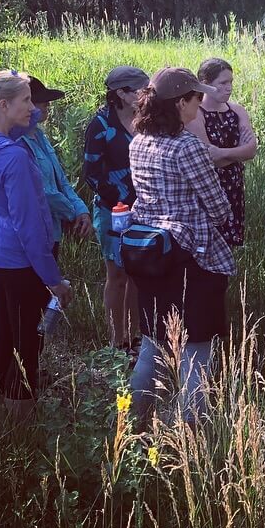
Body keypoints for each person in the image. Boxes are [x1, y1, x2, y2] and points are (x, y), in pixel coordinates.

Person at [0, 71, 73, 418]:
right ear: (3, 105)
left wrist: (13, 84)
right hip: (23, 259)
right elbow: (30, 226)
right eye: (26, 101)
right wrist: (53, 279)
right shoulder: (14, 156)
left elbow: (29, 114)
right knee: (28, 343)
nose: (34, 108)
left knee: (7, 330)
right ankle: (18, 421)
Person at [125, 67, 235, 424]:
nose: (201, 104)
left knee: (152, 345)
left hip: (150, 254)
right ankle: (189, 434)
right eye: (196, 98)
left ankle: (131, 423)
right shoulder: (187, 147)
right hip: (192, 260)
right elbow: (218, 207)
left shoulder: (138, 141)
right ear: (180, 103)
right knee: (197, 351)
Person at [82, 65, 148, 351]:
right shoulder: (101, 125)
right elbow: (91, 172)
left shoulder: (146, 118)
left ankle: (136, 338)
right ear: (121, 93)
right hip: (113, 209)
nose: (146, 94)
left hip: (145, 205)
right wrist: (116, 202)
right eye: (140, 90)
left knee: (138, 274)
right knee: (117, 274)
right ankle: (115, 340)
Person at [188, 58, 258, 247]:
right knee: (209, 244)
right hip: (209, 186)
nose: (229, 88)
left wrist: (222, 152)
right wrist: (237, 152)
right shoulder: (195, 113)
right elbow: (210, 158)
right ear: (205, 84)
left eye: (231, 82)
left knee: (230, 243)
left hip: (234, 185)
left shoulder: (237, 110)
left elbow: (251, 150)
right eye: (223, 83)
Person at [21, 76, 91, 254]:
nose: (48, 105)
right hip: (29, 236)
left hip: (51, 232)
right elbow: (42, 192)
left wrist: (82, 210)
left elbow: (61, 181)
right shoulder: (16, 144)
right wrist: (72, 212)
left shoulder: (38, 135)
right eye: (41, 100)